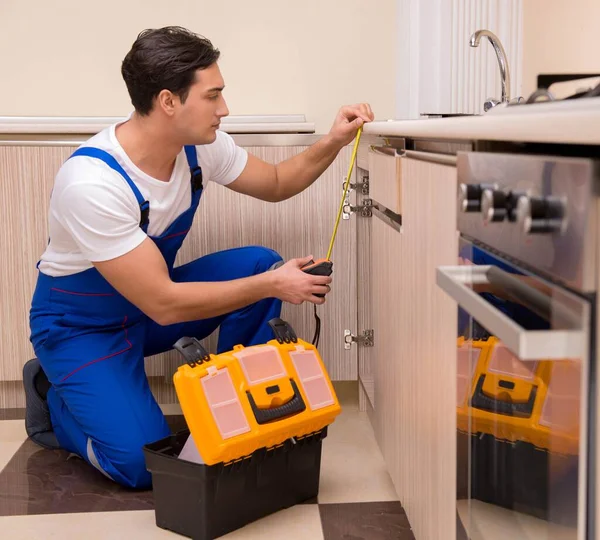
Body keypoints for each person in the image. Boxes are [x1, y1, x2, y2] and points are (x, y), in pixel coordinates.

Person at [24, 26, 374, 489]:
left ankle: (240, 411)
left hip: (144, 311)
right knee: (138, 465)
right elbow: (166, 303)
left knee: (258, 263)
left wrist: (334, 140)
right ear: (169, 101)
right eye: (213, 96)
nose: (224, 109)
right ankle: (52, 397)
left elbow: (274, 184)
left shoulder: (199, 149)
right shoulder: (91, 183)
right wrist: (274, 285)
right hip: (81, 328)